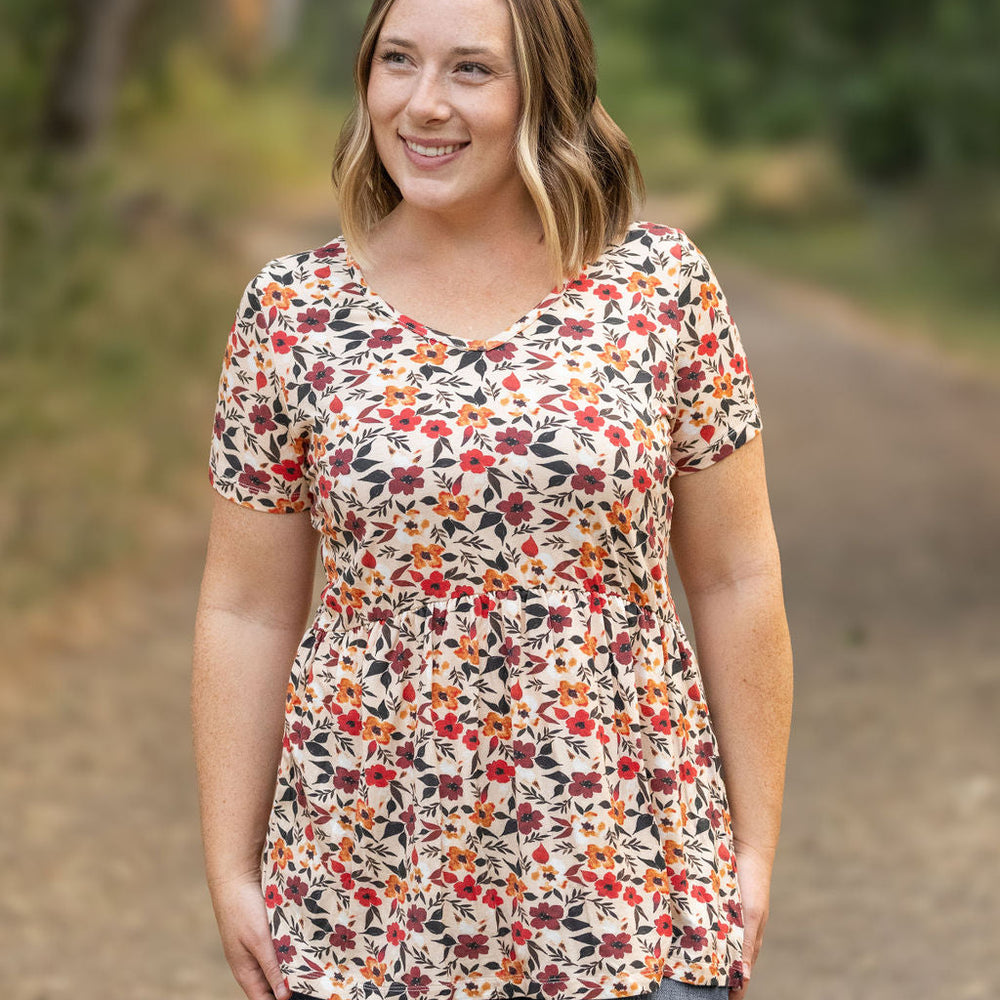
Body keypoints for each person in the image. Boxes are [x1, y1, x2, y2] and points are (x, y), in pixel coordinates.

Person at [191, 1, 794, 1000]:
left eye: (470, 70)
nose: (421, 105)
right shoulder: (293, 313)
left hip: (627, 882)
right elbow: (244, 607)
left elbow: (738, 576)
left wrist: (754, 846)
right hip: (366, 893)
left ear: (543, 91)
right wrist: (230, 867)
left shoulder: (657, 288)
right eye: (397, 62)